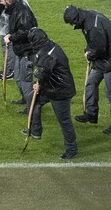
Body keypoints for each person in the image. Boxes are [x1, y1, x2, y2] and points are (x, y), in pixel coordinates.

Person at [26, 27, 78, 160]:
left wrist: (39, 81)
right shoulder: (47, 45)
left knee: (64, 120)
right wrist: (40, 82)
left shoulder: (48, 53)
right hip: (51, 86)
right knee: (32, 97)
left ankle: (71, 149)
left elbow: (43, 72)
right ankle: (36, 130)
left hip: (60, 91)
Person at [64, 5, 111, 134]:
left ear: (76, 19)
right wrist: (89, 50)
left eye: (72, 22)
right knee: (91, 83)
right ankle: (91, 113)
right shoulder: (89, 18)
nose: (73, 25)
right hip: (102, 60)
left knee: (110, 92)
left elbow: (100, 47)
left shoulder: (93, 25)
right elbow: (95, 43)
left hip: (108, 60)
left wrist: (90, 54)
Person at [1, 0, 38, 114]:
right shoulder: (15, 8)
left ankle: (31, 106)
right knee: (18, 76)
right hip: (20, 49)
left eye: (2, 0)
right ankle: (25, 98)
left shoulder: (21, 11)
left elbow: (25, 31)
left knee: (25, 79)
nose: (1, 3)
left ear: (7, 0)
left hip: (28, 50)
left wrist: (11, 37)